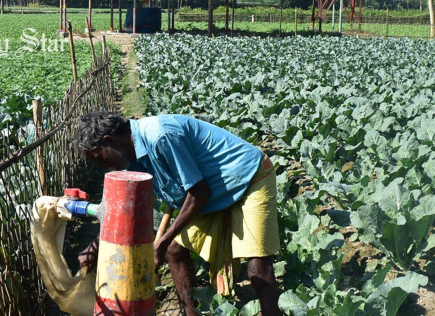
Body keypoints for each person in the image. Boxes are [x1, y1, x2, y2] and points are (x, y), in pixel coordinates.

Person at [74, 112, 281, 316]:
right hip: (215, 190)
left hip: (249, 177)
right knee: (175, 250)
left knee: (257, 267)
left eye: (98, 158)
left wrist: (162, 241)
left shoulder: (160, 136)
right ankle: (190, 313)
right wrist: (95, 246)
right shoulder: (131, 156)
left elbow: (198, 193)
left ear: (109, 141)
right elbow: (126, 209)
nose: (103, 166)